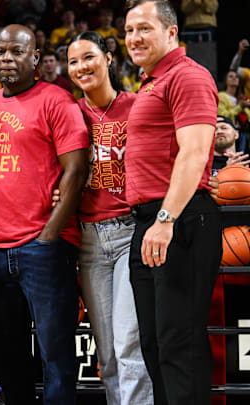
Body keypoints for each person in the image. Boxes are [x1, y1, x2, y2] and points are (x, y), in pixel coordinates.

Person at [0, 24, 89, 404]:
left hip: (43, 249)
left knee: (55, 354)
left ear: (35, 57)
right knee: (9, 356)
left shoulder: (57, 101)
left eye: (17, 52)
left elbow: (76, 169)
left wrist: (50, 234)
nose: (7, 59)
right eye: (1, 52)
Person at [123, 1, 221, 403]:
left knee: (179, 345)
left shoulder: (188, 76)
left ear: (171, 32)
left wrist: (165, 219)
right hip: (150, 222)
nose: (134, 38)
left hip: (176, 221)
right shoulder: (150, 83)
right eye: (129, 30)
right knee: (156, 346)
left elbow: (195, 153)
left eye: (144, 28)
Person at [66, 30, 153, 405]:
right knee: (107, 352)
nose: (81, 67)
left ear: (108, 58)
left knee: (127, 341)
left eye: (89, 57)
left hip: (130, 230)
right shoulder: (68, 112)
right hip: (87, 239)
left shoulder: (139, 105)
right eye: (73, 61)